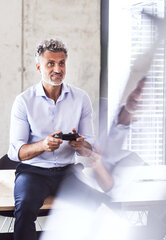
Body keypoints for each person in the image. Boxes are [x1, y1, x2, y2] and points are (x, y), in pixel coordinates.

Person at [7, 39, 142, 240]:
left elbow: (90, 147)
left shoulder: (81, 99)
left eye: (61, 63)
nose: (57, 69)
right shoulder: (24, 101)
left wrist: (81, 145)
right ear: (39, 67)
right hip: (33, 172)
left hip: (67, 172)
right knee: (25, 210)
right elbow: (15, 152)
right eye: (50, 63)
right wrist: (43, 145)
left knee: (100, 205)